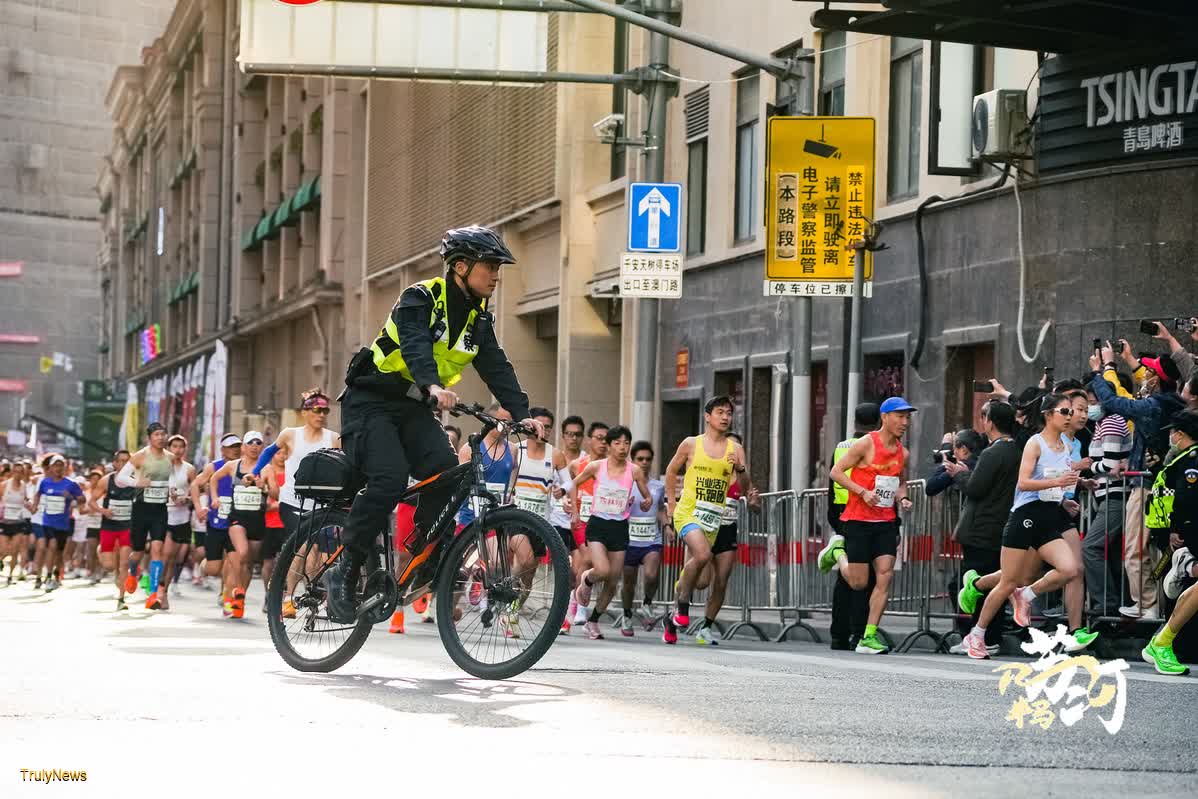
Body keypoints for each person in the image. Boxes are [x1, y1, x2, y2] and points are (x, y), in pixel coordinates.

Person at [332, 225, 542, 622]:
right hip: (371, 402)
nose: (496, 276)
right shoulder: (421, 298)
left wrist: (522, 413)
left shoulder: (479, 318)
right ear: (460, 266)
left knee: (448, 474)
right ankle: (344, 574)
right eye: (490, 267)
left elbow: (496, 366)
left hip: (413, 408)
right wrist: (430, 383)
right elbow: (413, 344)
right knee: (389, 479)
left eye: (499, 268)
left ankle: (425, 555)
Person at [960, 394, 1087, 659]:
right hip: (1024, 518)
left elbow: (1056, 482)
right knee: (1008, 580)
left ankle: (1026, 595)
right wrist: (1057, 483)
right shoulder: (1034, 443)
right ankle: (977, 634)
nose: (1069, 416)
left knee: (1070, 568)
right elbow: (1024, 483)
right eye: (1064, 411)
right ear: (1048, 414)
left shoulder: (1065, 446)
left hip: (1049, 516)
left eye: (1070, 412)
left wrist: (1065, 498)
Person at [1091, 340, 1192, 620]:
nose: (1143, 378)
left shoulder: (1154, 405)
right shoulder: (1174, 403)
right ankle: (1157, 604)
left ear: (1156, 379)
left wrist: (1103, 370)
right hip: (1161, 487)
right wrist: (1127, 359)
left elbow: (1112, 402)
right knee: (1157, 548)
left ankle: (1146, 604)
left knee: (1135, 547)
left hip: (1147, 488)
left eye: (1148, 373)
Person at [827, 397, 917, 654]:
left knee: (885, 576)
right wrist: (862, 492)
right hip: (857, 521)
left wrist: (904, 498)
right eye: (900, 416)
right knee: (858, 583)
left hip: (885, 522)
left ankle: (868, 635)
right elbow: (836, 472)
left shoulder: (903, 452)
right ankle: (837, 553)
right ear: (885, 417)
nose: (904, 422)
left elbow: (900, 481)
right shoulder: (866, 444)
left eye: (907, 417)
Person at [663, 396, 756, 646]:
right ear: (707, 416)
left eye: (729, 413)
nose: (725, 417)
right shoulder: (691, 444)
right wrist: (671, 505)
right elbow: (671, 471)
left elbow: (746, 488)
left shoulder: (735, 450)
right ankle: (682, 606)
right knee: (703, 556)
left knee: (704, 582)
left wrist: (741, 470)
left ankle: (673, 616)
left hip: (714, 520)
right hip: (688, 513)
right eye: (720, 412)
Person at [249, 389, 340, 596]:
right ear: (305, 412)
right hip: (291, 501)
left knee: (318, 553)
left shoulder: (333, 438)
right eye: (317, 410)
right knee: (304, 548)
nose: (321, 415)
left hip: (320, 504)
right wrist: (254, 473)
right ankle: (289, 596)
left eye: (325, 410)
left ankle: (312, 591)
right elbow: (269, 452)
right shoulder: (290, 434)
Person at [567, 425, 653, 640]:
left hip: (619, 527)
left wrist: (645, 503)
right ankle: (587, 579)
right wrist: (575, 513)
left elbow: (647, 496)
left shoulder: (634, 470)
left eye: (626, 443)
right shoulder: (597, 466)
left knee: (613, 581)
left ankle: (593, 621)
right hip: (598, 525)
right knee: (602, 570)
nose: (622, 447)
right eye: (617, 443)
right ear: (609, 445)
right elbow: (574, 484)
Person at [951, 401, 1021, 655]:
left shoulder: (993, 453)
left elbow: (975, 488)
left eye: (984, 417)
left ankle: (978, 635)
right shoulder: (1018, 450)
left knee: (973, 584)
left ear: (990, 422)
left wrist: (958, 474)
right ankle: (986, 635)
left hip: (982, 527)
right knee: (994, 582)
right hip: (1002, 526)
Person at [818, 403, 881, 650]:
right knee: (864, 577)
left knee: (847, 579)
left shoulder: (841, 446)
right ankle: (858, 631)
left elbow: (832, 483)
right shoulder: (873, 447)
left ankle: (839, 634)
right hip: (863, 514)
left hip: (842, 514)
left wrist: (833, 516)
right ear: (878, 422)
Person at [1143, 408, 1198, 675]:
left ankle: (1162, 642)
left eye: (1173, 432)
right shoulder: (1189, 460)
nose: (1171, 437)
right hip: (1187, 531)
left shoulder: (1186, 458)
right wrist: (1180, 530)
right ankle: (1163, 642)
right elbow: (1185, 499)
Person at [690, 431, 753, 645]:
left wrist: (754, 502)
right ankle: (678, 604)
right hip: (704, 529)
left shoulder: (742, 474)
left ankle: (706, 627)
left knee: (721, 581)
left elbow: (752, 498)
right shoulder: (710, 471)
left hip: (727, 531)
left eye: (736, 450)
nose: (732, 453)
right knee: (701, 582)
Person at [1080, 364, 1133, 618]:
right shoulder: (1103, 424)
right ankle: (1112, 602)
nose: (1089, 407)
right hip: (1106, 495)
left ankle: (1106, 603)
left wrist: (1088, 467)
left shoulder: (1111, 422)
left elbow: (1111, 466)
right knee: (1105, 550)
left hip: (1115, 495)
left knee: (1090, 547)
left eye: (1091, 401)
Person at [210, 432, 268, 619]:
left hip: (257, 521)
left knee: (249, 563)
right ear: (244, 446)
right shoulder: (233, 466)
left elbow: (275, 492)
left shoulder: (266, 468)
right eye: (250, 442)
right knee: (242, 554)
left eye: (258, 443)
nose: (254, 446)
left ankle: (238, 600)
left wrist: (263, 487)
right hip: (237, 519)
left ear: (262, 446)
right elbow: (213, 479)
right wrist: (214, 498)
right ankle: (235, 593)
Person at [117, 423, 174, 605]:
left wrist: (174, 491)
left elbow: (174, 480)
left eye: (163, 434)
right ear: (150, 437)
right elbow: (121, 478)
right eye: (156, 435)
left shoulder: (171, 458)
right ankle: (133, 572)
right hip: (141, 509)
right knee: (138, 552)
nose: (160, 438)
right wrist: (137, 483)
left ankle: (153, 594)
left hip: (160, 509)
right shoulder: (140, 456)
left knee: (157, 549)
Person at [190, 435, 242, 617]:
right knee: (213, 568)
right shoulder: (214, 467)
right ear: (223, 450)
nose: (235, 450)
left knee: (235, 562)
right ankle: (201, 568)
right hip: (216, 523)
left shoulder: (245, 466)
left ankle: (228, 601)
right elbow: (195, 485)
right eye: (231, 447)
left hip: (237, 523)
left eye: (237, 446)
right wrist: (199, 508)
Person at [621, 441, 669, 636]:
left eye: (648, 459)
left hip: (651, 539)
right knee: (629, 584)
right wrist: (625, 504)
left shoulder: (658, 486)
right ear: (632, 460)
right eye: (640, 459)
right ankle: (626, 615)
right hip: (629, 541)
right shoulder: (625, 484)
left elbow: (660, 510)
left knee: (651, 575)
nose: (644, 462)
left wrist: (666, 525)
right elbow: (615, 510)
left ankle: (648, 602)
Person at [566, 421, 608, 626]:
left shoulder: (612, 466)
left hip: (602, 521)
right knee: (589, 560)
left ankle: (572, 605)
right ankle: (580, 608)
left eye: (606, 439)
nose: (603, 442)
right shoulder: (577, 465)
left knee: (582, 566)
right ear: (590, 440)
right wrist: (569, 502)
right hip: (581, 521)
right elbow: (568, 485)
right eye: (599, 438)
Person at [549, 414, 585, 634]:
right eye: (569, 434)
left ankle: (573, 608)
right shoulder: (555, 458)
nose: (573, 438)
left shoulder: (585, 461)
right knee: (563, 571)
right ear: (563, 436)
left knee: (577, 570)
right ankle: (562, 616)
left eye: (578, 434)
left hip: (579, 522)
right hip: (556, 522)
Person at [89, 452, 138, 611]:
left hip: (127, 526)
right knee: (109, 566)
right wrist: (103, 511)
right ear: (115, 464)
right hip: (109, 526)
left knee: (124, 564)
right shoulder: (106, 480)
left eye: (127, 461)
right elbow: (92, 502)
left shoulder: (135, 480)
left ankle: (122, 599)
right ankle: (101, 550)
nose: (124, 464)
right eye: (121, 461)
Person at [30, 454, 86, 593]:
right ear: (51, 467)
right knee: (51, 546)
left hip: (63, 524)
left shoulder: (71, 484)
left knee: (59, 552)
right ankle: (48, 577)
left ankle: (56, 574)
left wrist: (71, 497)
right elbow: (38, 494)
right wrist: (35, 506)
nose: (58, 468)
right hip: (47, 521)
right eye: (56, 465)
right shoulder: (45, 482)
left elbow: (82, 499)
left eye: (61, 465)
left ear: (65, 467)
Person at [1, 462, 31, 584]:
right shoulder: (4, 485)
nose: (18, 474)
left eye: (21, 472)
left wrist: (31, 506)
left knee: (14, 550)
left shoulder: (24, 487)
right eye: (16, 471)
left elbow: (26, 500)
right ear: (12, 472)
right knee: (3, 550)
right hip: (4, 521)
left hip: (18, 521)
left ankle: (10, 576)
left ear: (23, 474)